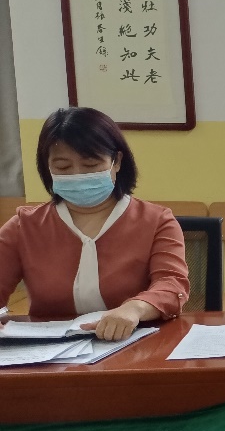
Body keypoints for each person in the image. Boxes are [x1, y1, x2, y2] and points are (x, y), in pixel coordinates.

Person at [0, 107, 189, 340]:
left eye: (90, 165)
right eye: (63, 167)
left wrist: (134, 309)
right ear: (47, 168)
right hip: (49, 351)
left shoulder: (157, 221)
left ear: (116, 162)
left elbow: (172, 285)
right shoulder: (24, 226)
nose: (77, 175)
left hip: (135, 343)